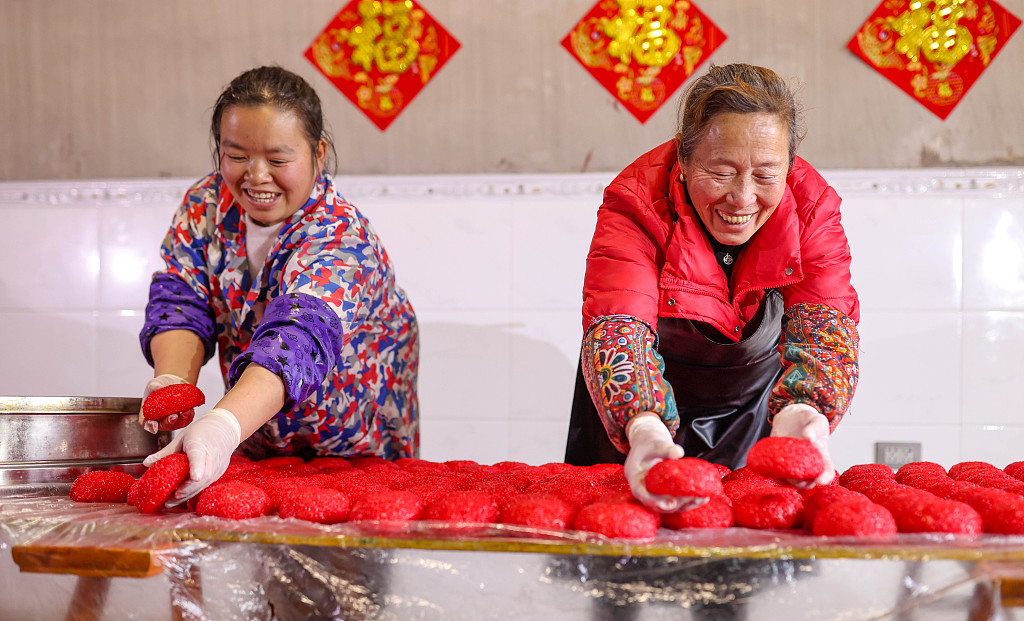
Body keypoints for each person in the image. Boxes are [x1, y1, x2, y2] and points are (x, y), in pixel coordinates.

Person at [565, 63, 860, 514]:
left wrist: (807, 413)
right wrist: (643, 428)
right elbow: (618, 326)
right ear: (683, 161)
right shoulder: (637, 202)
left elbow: (826, 327)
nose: (742, 198)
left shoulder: (812, 207)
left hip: (757, 415)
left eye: (765, 175)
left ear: (790, 166)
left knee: (750, 553)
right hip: (634, 418)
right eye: (721, 172)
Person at [139, 66, 419, 504]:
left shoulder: (339, 236)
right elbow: (183, 301)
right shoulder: (206, 206)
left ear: (318, 154)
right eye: (236, 155)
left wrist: (220, 426)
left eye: (277, 159)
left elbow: (299, 338)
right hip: (255, 450)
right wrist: (172, 381)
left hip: (356, 461)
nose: (256, 176)